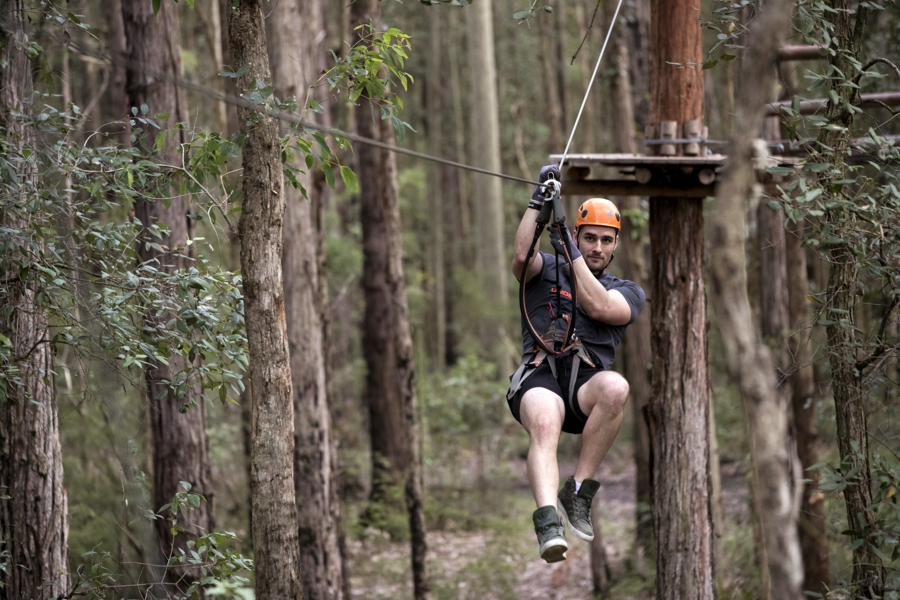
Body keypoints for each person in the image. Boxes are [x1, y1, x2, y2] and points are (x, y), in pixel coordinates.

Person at [508, 164, 646, 563]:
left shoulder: (627, 291)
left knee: (617, 387)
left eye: (605, 240)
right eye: (588, 238)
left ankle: (579, 489)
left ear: (615, 245)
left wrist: (569, 251)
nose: (597, 247)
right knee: (545, 423)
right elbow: (520, 257)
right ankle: (548, 520)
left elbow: (599, 306)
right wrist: (538, 203)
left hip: (586, 389)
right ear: (577, 236)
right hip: (540, 378)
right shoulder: (545, 270)